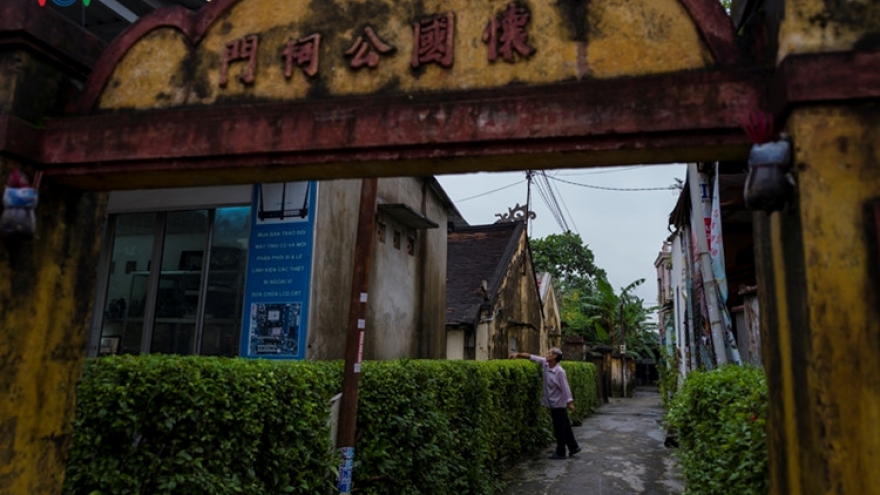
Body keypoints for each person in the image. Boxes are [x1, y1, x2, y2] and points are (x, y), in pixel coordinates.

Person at [509, 348, 581, 459]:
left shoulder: (560, 372)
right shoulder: (545, 364)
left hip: (559, 404)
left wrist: (570, 402)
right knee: (565, 426)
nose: (547, 354)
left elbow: (565, 388)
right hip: (552, 402)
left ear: (555, 357)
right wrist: (518, 354)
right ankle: (573, 447)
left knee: (559, 429)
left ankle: (561, 451)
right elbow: (531, 356)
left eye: (550, 353)